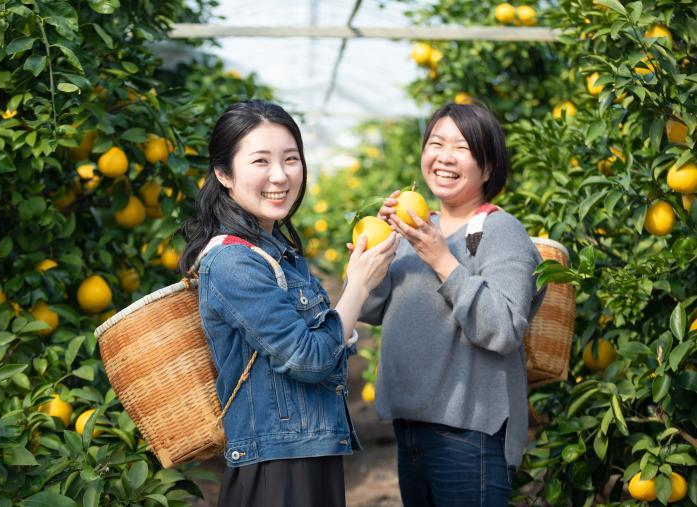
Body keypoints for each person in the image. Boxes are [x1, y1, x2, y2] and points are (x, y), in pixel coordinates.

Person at [179, 100, 398, 507]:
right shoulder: (232, 262)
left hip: (306, 454)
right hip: (277, 469)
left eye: (291, 159)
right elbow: (311, 360)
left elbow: (322, 342)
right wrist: (359, 285)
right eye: (260, 161)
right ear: (224, 174)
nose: (280, 175)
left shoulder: (277, 251)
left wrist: (359, 280)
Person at [358, 103, 545, 506]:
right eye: (436, 143)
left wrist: (443, 260)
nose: (444, 156)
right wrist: (379, 251)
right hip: (411, 431)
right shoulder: (418, 227)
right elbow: (372, 310)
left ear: (488, 166)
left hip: (469, 436)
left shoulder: (499, 231)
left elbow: (504, 327)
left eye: (461, 147)